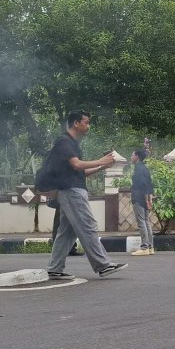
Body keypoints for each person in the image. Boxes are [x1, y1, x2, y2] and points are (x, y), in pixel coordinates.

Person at [45, 110, 127, 279]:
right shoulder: (64, 141)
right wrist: (101, 160)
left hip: (71, 190)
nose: (88, 126)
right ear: (76, 123)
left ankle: (54, 268)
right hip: (71, 191)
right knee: (88, 226)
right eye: (86, 122)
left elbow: (80, 172)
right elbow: (76, 165)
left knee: (66, 233)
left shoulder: (73, 144)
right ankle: (103, 265)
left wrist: (101, 167)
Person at [130, 149, 155, 256]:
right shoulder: (145, 168)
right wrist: (149, 199)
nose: (130, 157)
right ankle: (150, 247)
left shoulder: (138, 168)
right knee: (146, 222)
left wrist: (146, 199)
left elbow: (143, 184)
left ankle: (144, 247)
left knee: (141, 223)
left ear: (137, 156)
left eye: (132, 155)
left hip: (139, 198)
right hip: (144, 198)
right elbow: (149, 185)